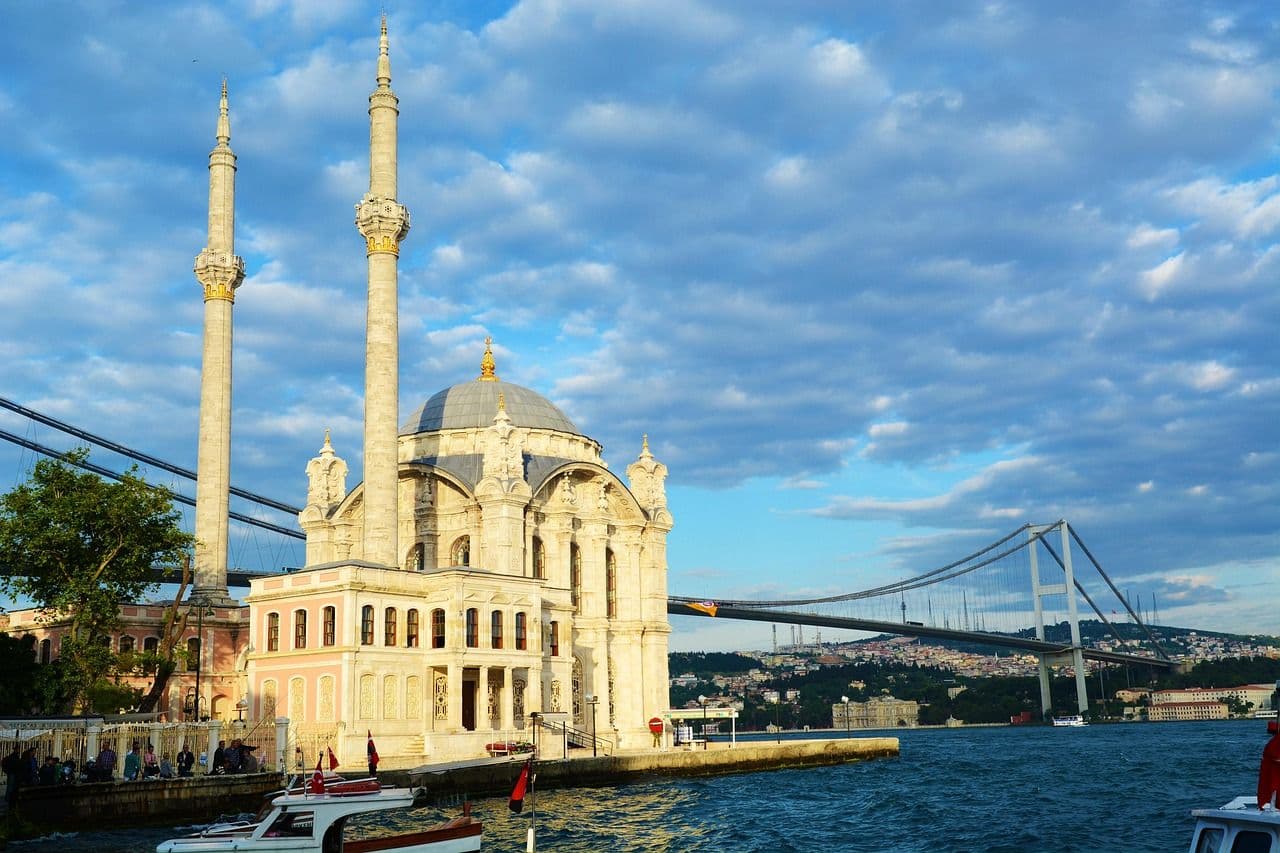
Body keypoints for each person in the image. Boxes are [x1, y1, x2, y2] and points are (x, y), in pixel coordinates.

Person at [1259, 720, 1280, 810]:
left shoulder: (1273, 742)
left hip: (1272, 769)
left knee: (1273, 788)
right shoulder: (1274, 742)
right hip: (1273, 769)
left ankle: (1273, 806)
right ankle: (1273, 806)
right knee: (1274, 788)